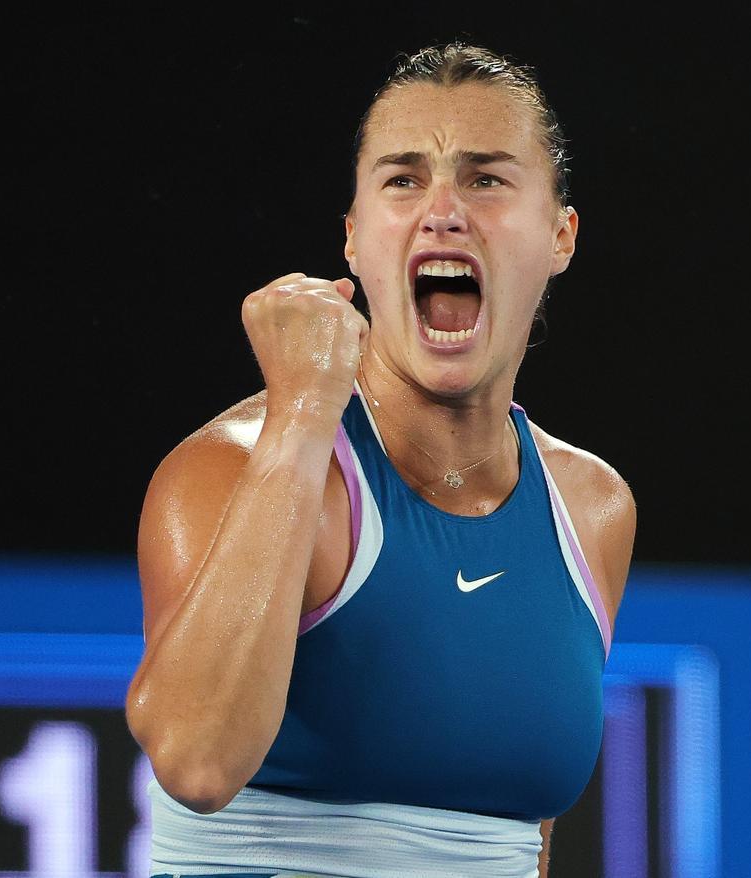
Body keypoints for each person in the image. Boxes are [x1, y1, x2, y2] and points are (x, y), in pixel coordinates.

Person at [125, 43, 636, 878]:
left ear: (560, 235)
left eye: (486, 178)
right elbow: (196, 760)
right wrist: (300, 415)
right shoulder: (229, 467)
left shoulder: (593, 509)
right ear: (355, 242)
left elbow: (521, 840)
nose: (443, 211)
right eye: (403, 179)